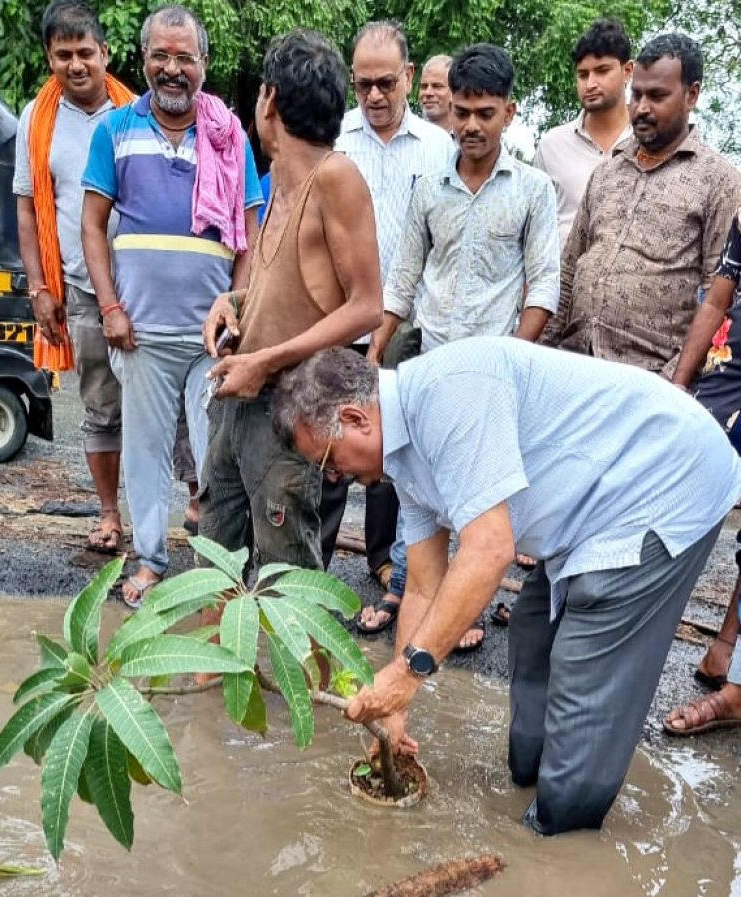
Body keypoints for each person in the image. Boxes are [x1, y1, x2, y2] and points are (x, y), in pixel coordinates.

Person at [274, 340, 741, 835]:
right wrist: (396, 709)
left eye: (328, 459)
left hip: (663, 482)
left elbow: (489, 551)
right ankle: (530, 781)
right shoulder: (402, 457)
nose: (334, 476)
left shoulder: (448, 396)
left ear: (355, 418)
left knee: (585, 660)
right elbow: (422, 587)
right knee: (532, 634)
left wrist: (408, 674)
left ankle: (558, 834)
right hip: (591, 505)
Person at [364, 43, 559, 649]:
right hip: (432, 362)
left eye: (485, 113)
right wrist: (373, 357)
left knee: (481, 495)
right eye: (462, 112)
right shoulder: (430, 187)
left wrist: (512, 360)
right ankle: (408, 592)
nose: (471, 126)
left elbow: (543, 284)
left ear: (510, 112)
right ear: (448, 110)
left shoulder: (533, 189)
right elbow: (403, 279)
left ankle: (460, 610)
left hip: (498, 374)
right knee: (419, 480)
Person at [81, 3, 262, 606]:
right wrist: (109, 306)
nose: (172, 68)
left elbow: (250, 228)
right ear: (144, 60)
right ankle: (151, 560)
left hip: (213, 337)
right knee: (146, 456)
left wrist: (237, 307)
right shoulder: (115, 131)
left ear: (204, 64)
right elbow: (91, 225)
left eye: (185, 57)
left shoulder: (230, 134)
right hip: (143, 333)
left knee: (218, 463)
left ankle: (221, 573)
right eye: (161, 55)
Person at [196, 29, 382, 592]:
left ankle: (307, 683)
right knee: (214, 564)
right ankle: (212, 678)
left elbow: (367, 307)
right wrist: (230, 303)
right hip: (236, 399)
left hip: (291, 406)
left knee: (289, 582)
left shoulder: (336, 176)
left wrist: (267, 360)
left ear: (269, 99)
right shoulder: (276, 177)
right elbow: (289, 286)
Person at [334, 20, 454, 623]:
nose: (375, 97)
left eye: (386, 83)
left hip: (407, 324)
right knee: (329, 441)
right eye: (363, 85)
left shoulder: (438, 148)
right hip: (340, 319)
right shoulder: (338, 139)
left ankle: (386, 563)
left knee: (394, 448)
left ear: (408, 78)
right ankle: (313, 567)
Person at [544, 32, 741, 376]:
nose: (642, 107)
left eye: (657, 96)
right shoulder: (606, 173)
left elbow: (717, 298)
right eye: (636, 94)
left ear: (691, 95)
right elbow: (569, 271)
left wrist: (675, 384)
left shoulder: (719, 181)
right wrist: (538, 355)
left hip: (648, 379)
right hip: (571, 366)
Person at [13, 0, 133, 554]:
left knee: (173, 407)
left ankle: (195, 504)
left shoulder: (137, 112)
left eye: (86, 52)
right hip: (80, 288)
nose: (76, 64)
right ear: (50, 57)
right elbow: (27, 207)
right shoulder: (37, 120)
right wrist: (39, 288)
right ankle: (109, 514)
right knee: (100, 404)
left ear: (105, 53)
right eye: (64, 54)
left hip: (142, 289)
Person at [664, 208, 741, 735]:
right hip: (730, 364)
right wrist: (679, 383)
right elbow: (719, 295)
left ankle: (734, 677)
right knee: (681, 483)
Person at [534, 18, 633, 247]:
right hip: (563, 280)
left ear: (627, 71)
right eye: (583, 74)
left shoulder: (649, 142)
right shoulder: (552, 146)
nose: (590, 84)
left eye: (602, 71)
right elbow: (532, 226)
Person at [418, 55, 453, 134]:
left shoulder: (466, 139)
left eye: (437, 86)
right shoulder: (409, 139)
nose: (428, 93)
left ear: (454, 91)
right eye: (424, 86)